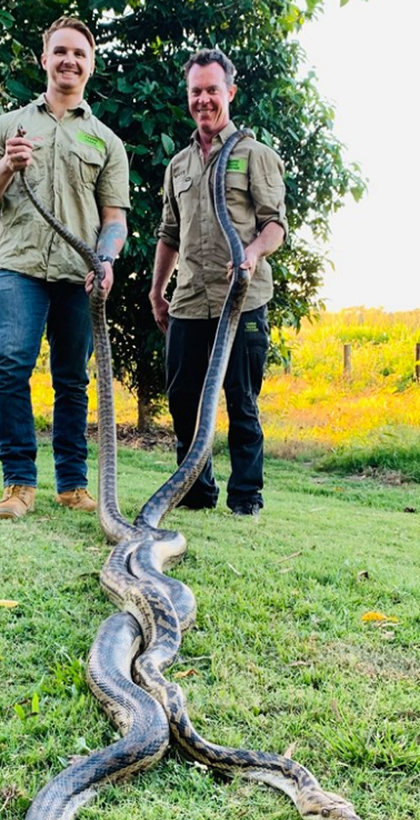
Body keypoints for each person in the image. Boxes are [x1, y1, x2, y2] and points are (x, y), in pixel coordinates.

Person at [0, 16, 129, 520]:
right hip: (19, 269)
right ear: (44, 59)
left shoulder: (106, 141)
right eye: (60, 51)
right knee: (12, 364)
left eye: (79, 54)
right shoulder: (8, 127)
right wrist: (7, 166)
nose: (69, 61)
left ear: (91, 64)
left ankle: (72, 485)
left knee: (72, 380)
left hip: (77, 276)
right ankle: (18, 485)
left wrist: (105, 260)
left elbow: (115, 221)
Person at [149, 49, 288, 517]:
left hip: (241, 300)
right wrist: (157, 290)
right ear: (188, 97)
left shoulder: (254, 155)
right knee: (184, 400)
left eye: (212, 89)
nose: (204, 99)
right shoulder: (178, 166)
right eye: (196, 91)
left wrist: (250, 253)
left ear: (229, 92)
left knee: (242, 403)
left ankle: (246, 497)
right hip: (188, 299)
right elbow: (169, 235)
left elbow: (274, 225)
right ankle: (196, 492)